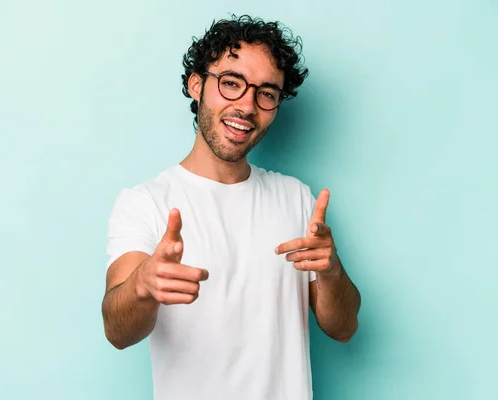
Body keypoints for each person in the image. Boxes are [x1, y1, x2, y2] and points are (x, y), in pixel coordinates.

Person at [101, 14, 361, 400]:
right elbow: (117, 333)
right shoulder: (145, 203)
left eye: (267, 93)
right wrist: (142, 285)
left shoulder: (296, 198)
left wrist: (331, 270)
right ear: (196, 85)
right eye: (231, 83)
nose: (247, 106)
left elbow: (343, 328)